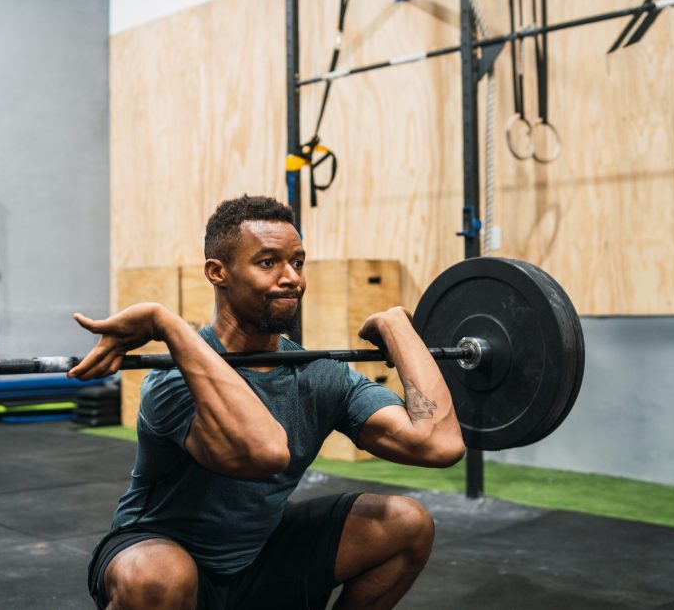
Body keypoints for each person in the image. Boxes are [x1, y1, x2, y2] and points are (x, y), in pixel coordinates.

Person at [69, 195, 465, 610]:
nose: (291, 278)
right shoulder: (172, 379)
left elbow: (438, 444)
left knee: (408, 524)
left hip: (259, 554)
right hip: (163, 553)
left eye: (297, 262)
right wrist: (165, 323)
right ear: (217, 272)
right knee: (157, 577)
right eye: (268, 262)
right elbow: (263, 452)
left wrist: (398, 328)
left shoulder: (318, 374)